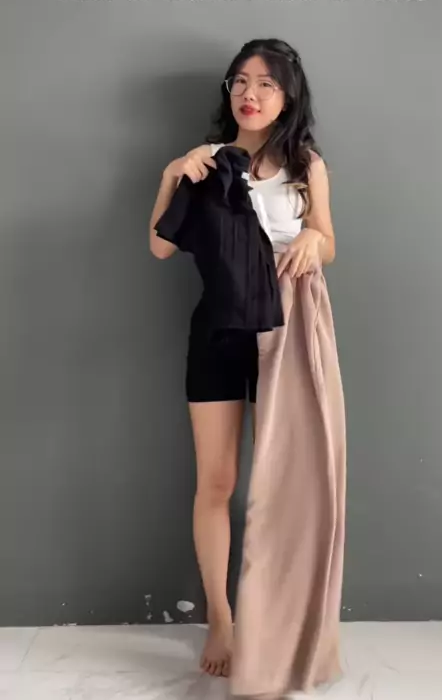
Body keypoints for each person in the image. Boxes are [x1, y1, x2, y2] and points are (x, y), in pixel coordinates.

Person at [149, 38, 336, 678]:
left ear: (287, 98)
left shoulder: (306, 164)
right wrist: (173, 173)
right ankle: (221, 618)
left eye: (265, 84)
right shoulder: (208, 164)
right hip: (219, 331)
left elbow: (329, 243)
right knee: (218, 481)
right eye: (239, 82)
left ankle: (279, 619)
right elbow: (160, 247)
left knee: (286, 484)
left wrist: (313, 236)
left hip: (288, 330)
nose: (249, 94)